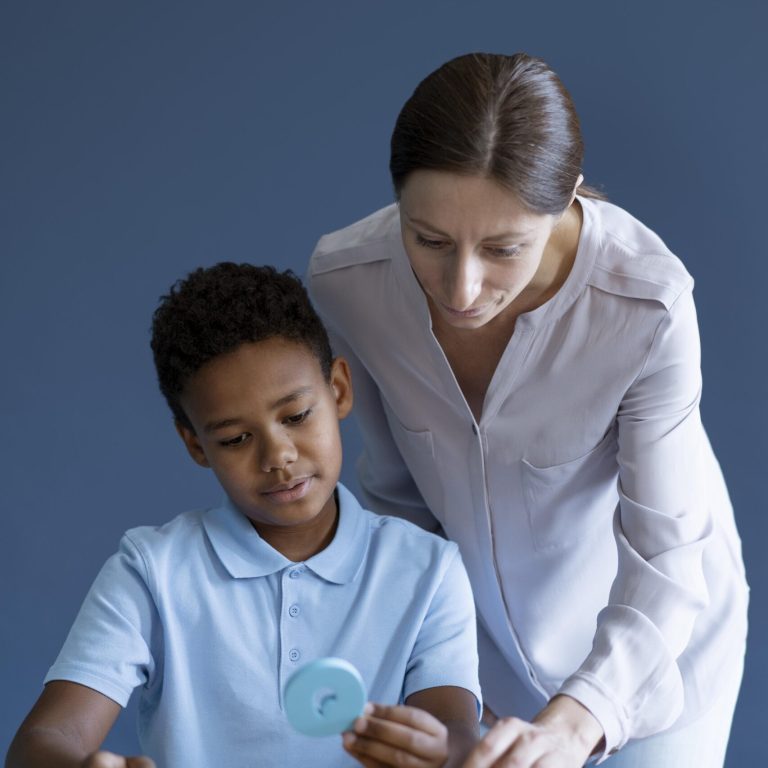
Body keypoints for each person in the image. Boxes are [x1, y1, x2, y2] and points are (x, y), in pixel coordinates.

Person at [307, 52, 749, 767]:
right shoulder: (347, 285)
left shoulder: (647, 306)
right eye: (430, 241)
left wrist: (575, 725)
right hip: (477, 672)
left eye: (504, 248)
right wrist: (437, 681)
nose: (460, 288)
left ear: (568, 199)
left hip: (657, 653)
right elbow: (399, 506)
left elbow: (667, 556)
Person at [5, 263, 482, 768]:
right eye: (235, 439)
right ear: (196, 444)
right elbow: (45, 738)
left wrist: (443, 752)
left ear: (339, 389)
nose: (278, 456)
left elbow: (458, 732)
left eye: (296, 416)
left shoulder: (428, 569)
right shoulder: (151, 571)